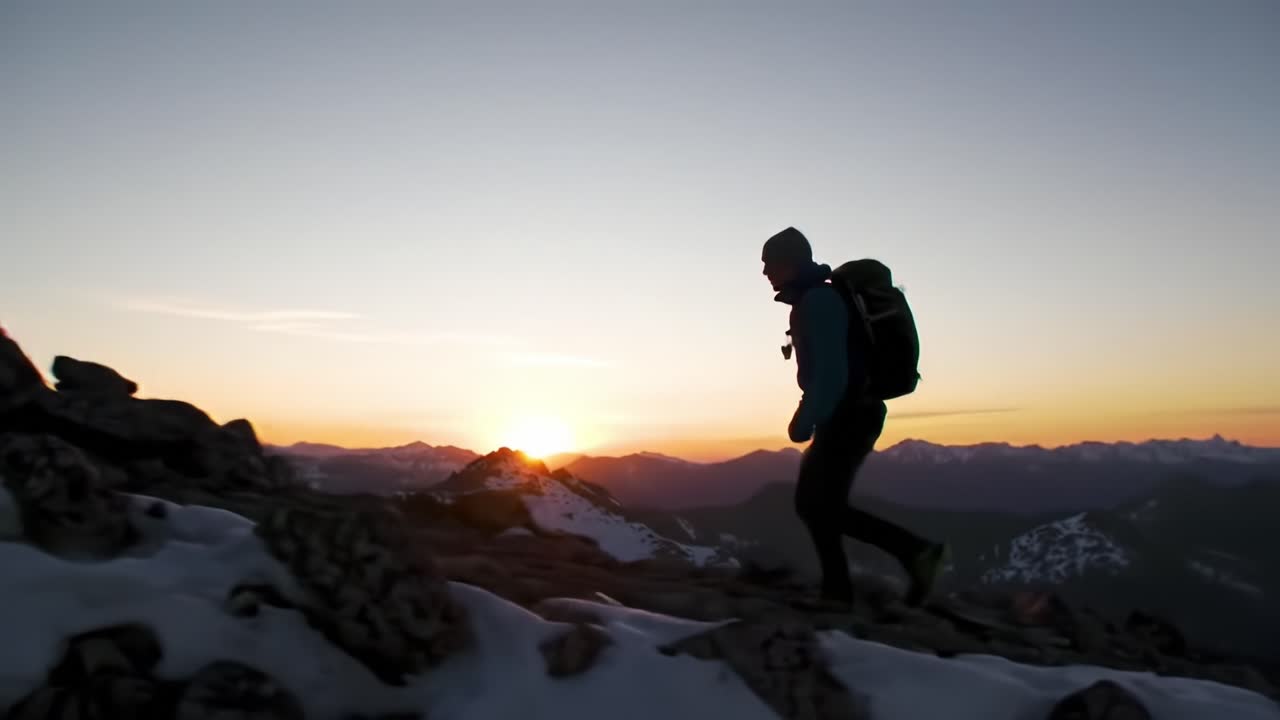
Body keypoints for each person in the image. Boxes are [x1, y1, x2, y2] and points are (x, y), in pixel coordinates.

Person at [761, 226, 948, 607]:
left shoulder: (818, 302)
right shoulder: (817, 299)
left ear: (790, 263)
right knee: (819, 505)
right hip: (854, 413)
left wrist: (805, 417)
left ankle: (907, 557)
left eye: (770, 264)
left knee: (817, 505)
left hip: (849, 415)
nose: (765, 273)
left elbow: (831, 372)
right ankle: (844, 587)